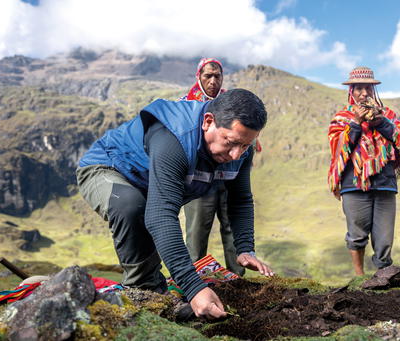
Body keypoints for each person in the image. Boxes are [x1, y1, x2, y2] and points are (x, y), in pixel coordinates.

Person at [76, 88, 274, 319]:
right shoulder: (175, 138)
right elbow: (160, 215)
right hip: (109, 168)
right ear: (208, 122)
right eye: (230, 142)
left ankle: (155, 291)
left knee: (143, 208)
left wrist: (244, 248)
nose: (236, 155)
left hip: (151, 182)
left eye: (245, 146)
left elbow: (240, 199)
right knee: (130, 205)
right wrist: (194, 288)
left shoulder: (239, 149)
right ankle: (147, 293)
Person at [328, 67, 400, 276]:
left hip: (384, 182)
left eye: (368, 88)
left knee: (384, 235)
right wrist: (356, 123)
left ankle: (384, 274)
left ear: (374, 91)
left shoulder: (388, 115)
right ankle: (359, 275)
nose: (364, 93)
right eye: (359, 89)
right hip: (353, 183)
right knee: (356, 232)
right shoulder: (342, 118)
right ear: (351, 91)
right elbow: (338, 148)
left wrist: (380, 122)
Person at [181, 58, 245, 276]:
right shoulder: (186, 104)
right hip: (199, 179)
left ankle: (238, 279)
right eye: (208, 76)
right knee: (197, 230)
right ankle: (193, 282)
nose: (213, 80)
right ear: (198, 77)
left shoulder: (233, 105)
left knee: (232, 227)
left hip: (228, 177)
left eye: (217, 76)